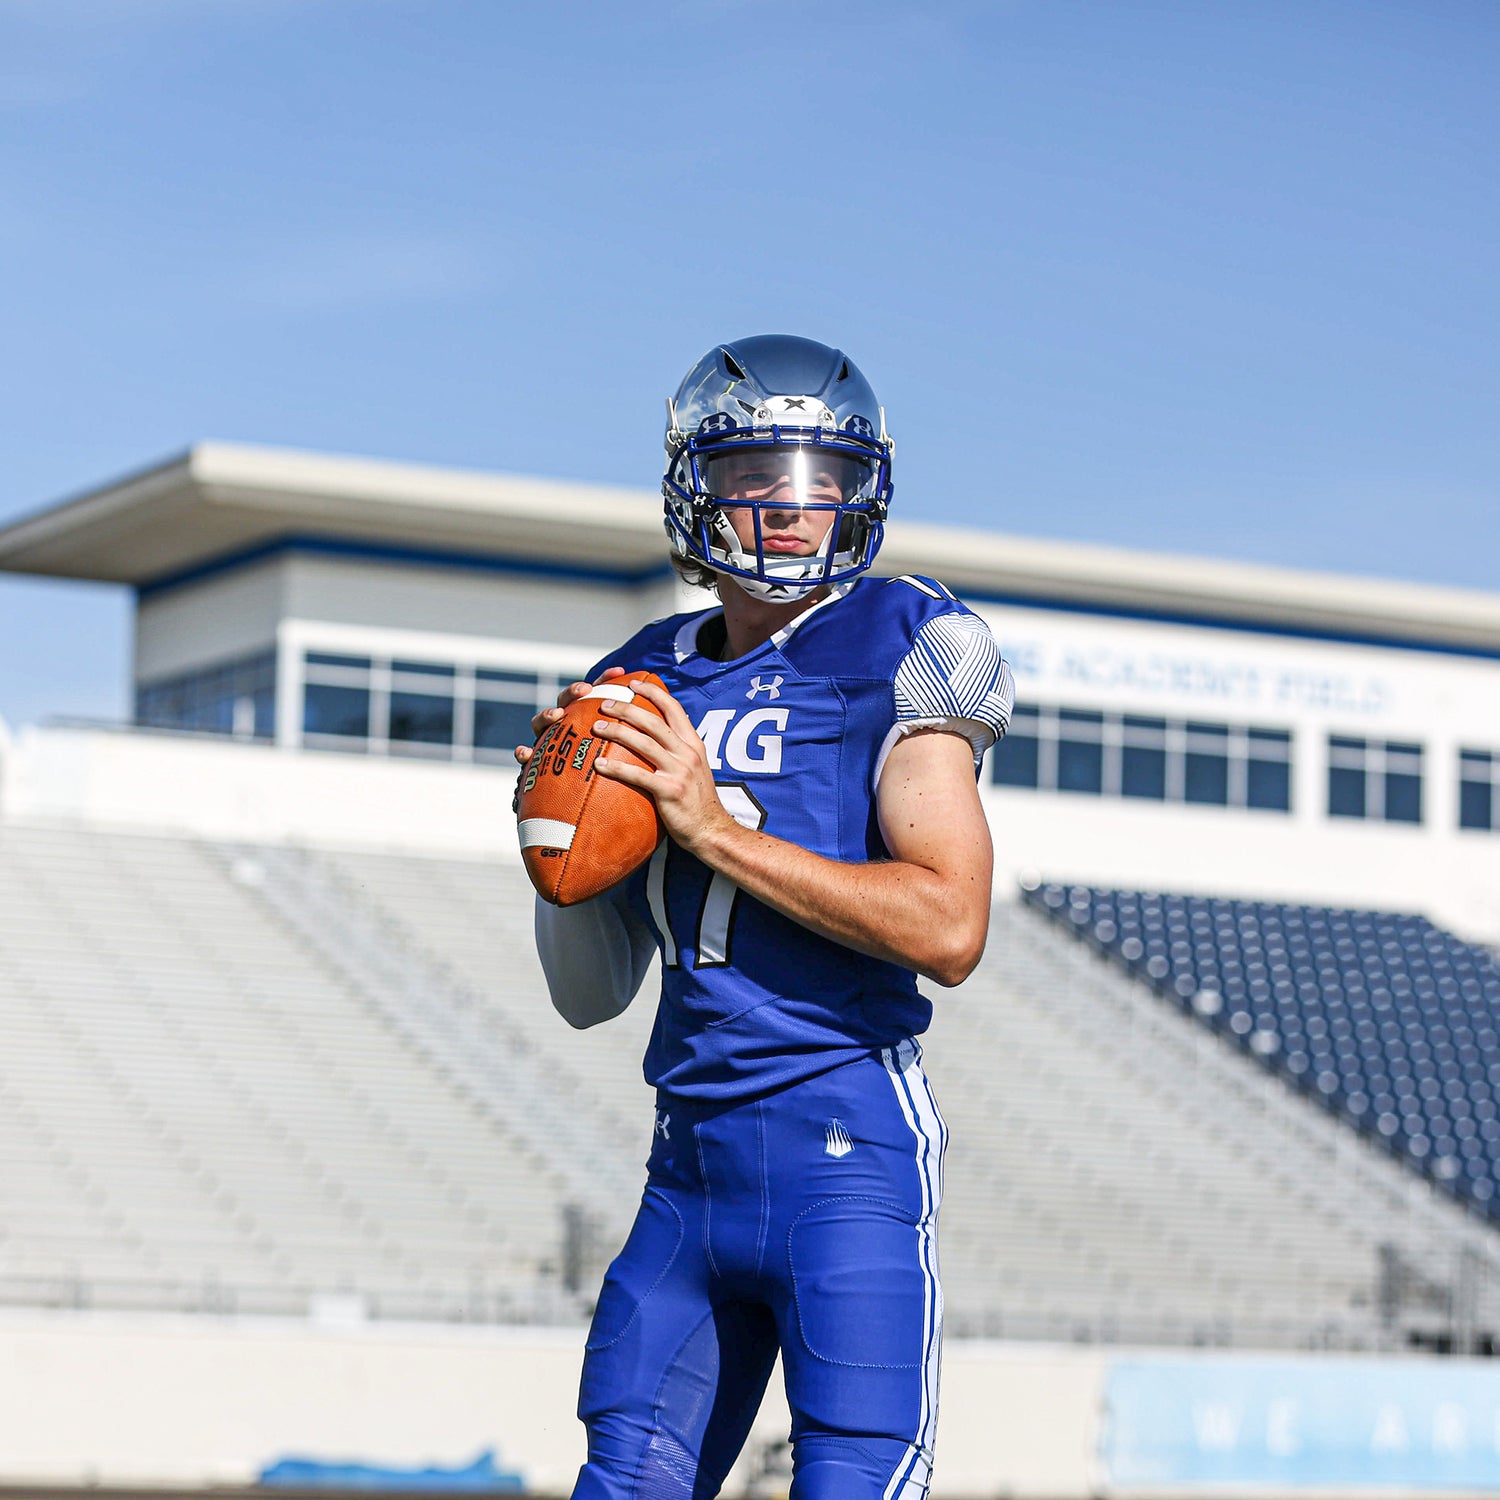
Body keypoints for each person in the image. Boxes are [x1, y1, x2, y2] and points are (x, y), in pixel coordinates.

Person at [516, 335, 1013, 1500]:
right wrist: (556, 852)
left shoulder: (905, 643)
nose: (795, 507)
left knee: (856, 1476)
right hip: (687, 1161)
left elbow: (951, 927)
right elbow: (590, 998)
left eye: (824, 478)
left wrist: (715, 830)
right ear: (701, 487)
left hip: (846, 1150)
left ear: (863, 491)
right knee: (621, 1478)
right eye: (759, 474)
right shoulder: (637, 680)